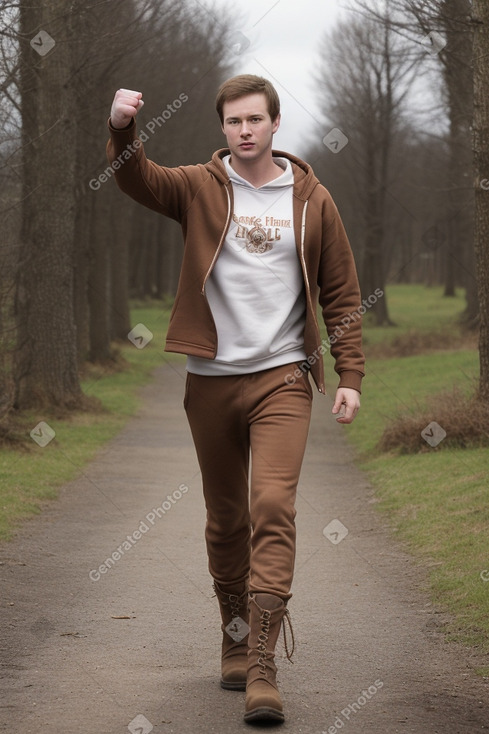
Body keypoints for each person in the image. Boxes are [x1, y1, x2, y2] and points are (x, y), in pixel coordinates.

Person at [107, 75, 365, 725]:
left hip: (281, 376)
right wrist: (121, 129)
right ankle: (230, 634)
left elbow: (339, 292)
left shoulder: (311, 199)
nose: (243, 130)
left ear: (276, 124)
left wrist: (349, 375)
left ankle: (261, 665)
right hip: (211, 380)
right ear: (222, 129)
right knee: (226, 521)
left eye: (254, 119)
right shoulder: (197, 187)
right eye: (232, 121)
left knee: (273, 504)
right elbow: (136, 180)